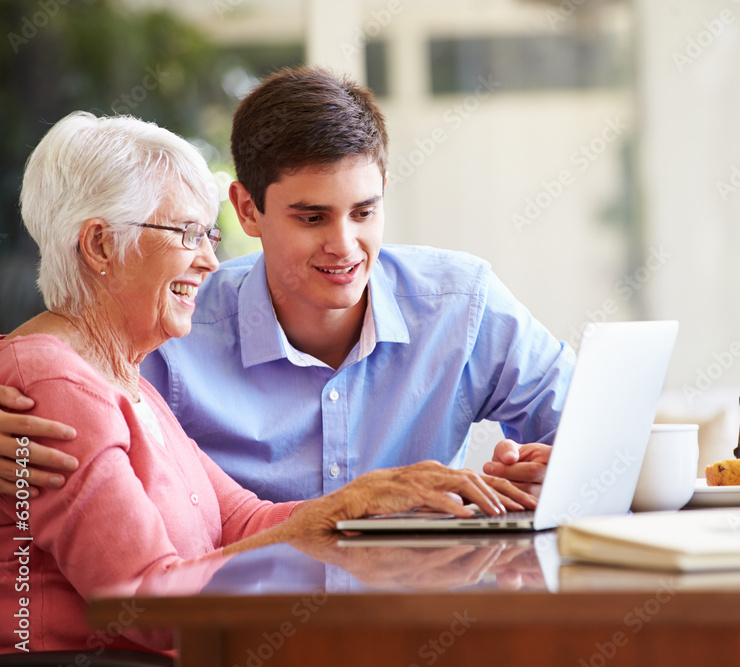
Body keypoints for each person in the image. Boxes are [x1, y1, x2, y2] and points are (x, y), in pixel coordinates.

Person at [0, 111, 532, 655]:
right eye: (188, 234)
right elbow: (144, 604)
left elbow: (241, 519)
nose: (209, 261)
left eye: (208, 234)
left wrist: (365, 500)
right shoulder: (55, 383)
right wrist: (332, 515)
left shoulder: (122, 375)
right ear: (100, 246)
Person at [0, 67, 574, 503]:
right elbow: (54, 355)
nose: (345, 245)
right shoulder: (175, 324)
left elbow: (599, 430)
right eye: (312, 217)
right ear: (247, 211)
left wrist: (563, 465)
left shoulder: (461, 304)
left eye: (364, 212)